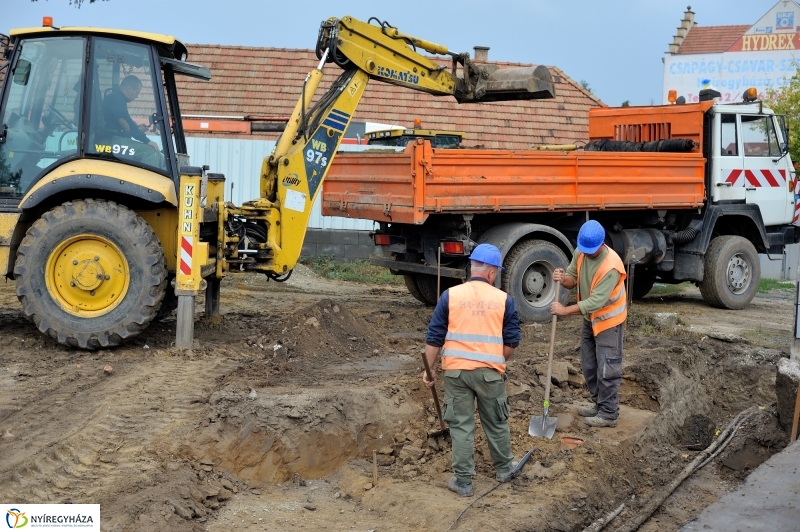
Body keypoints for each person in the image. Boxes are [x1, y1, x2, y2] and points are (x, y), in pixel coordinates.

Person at [422, 243, 521, 497]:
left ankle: (463, 481)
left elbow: (434, 338)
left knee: (461, 426)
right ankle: (504, 469)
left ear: (473, 268)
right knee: (496, 422)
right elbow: (511, 342)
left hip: (455, 373)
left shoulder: (451, 295)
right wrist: (495, 359)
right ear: (491, 272)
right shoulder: (503, 300)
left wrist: (429, 369)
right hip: (489, 373)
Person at [550, 220, 627, 428]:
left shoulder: (611, 266)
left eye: (591, 250)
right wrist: (561, 277)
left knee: (607, 368)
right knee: (589, 366)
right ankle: (599, 405)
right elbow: (572, 279)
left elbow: (595, 302)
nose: (588, 253)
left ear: (602, 244)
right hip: (590, 319)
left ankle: (609, 413)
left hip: (609, 321)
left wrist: (564, 310)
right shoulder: (581, 251)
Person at [100, 75, 162, 168]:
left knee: (160, 156)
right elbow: (125, 123)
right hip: (112, 140)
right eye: (137, 92)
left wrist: (137, 128)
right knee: (150, 152)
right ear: (129, 89)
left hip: (116, 138)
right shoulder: (116, 99)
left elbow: (124, 123)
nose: (137, 96)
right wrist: (146, 140)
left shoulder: (116, 98)